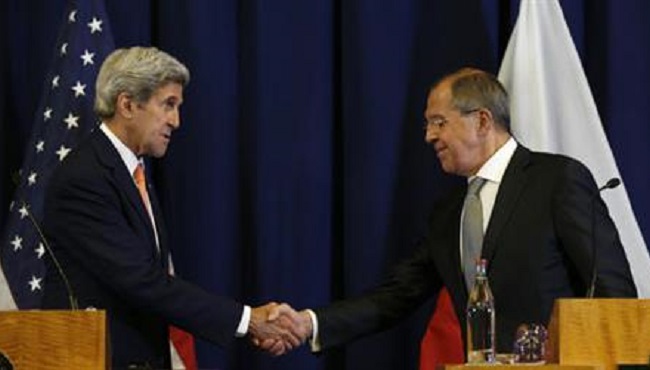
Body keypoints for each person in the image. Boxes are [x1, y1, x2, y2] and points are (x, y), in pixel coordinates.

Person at [264, 67, 637, 357]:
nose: (429, 136)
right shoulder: (449, 214)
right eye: (428, 124)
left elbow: (613, 291)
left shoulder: (556, 179)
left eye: (438, 122)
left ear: (482, 121)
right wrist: (309, 323)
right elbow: (395, 297)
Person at [41, 46, 298, 368]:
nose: (176, 121)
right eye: (168, 105)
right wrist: (247, 320)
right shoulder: (85, 177)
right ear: (128, 104)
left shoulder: (132, 172)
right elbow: (140, 280)